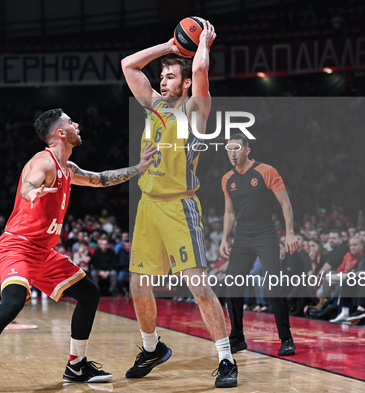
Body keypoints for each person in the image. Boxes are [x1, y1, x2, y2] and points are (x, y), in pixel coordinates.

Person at [0, 108, 156, 393]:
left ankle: (76, 365)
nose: (77, 124)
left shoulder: (69, 167)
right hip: (17, 246)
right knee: (14, 302)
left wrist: (139, 167)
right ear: (60, 132)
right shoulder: (44, 161)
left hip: (43, 252)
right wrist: (31, 191)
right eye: (70, 121)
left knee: (89, 294)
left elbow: (101, 179)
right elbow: (29, 182)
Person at [121, 21, 238, 388]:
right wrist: (170, 44)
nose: (163, 82)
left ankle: (225, 358)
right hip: (148, 205)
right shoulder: (153, 105)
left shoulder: (195, 113)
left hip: (178, 206)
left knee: (198, 286)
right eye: (163, 77)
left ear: (185, 84)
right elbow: (128, 65)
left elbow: (200, 68)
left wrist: (202, 42)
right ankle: (151, 347)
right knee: (139, 286)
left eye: (170, 77)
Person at [220, 133, 300, 357]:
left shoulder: (266, 171)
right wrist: (225, 238)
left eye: (236, 148)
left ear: (247, 150)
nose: (232, 153)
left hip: (265, 232)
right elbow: (229, 212)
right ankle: (237, 337)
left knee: (273, 284)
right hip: (243, 235)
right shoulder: (227, 179)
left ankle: (286, 339)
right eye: (229, 149)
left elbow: (285, 204)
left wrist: (290, 233)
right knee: (232, 287)